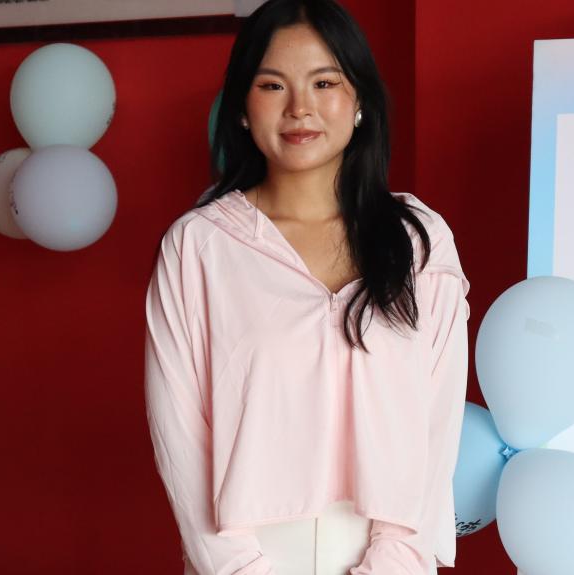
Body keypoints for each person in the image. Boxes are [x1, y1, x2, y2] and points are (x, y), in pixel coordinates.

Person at [142, 0, 470, 574]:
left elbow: (436, 428)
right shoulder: (198, 247)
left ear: (359, 100)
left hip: (390, 557)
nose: (300, 108)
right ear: (242, 108)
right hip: (243, 559)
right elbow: (180, 440)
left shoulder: (420, 242)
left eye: (324, 82)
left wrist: (391, 564)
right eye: (273, 85)